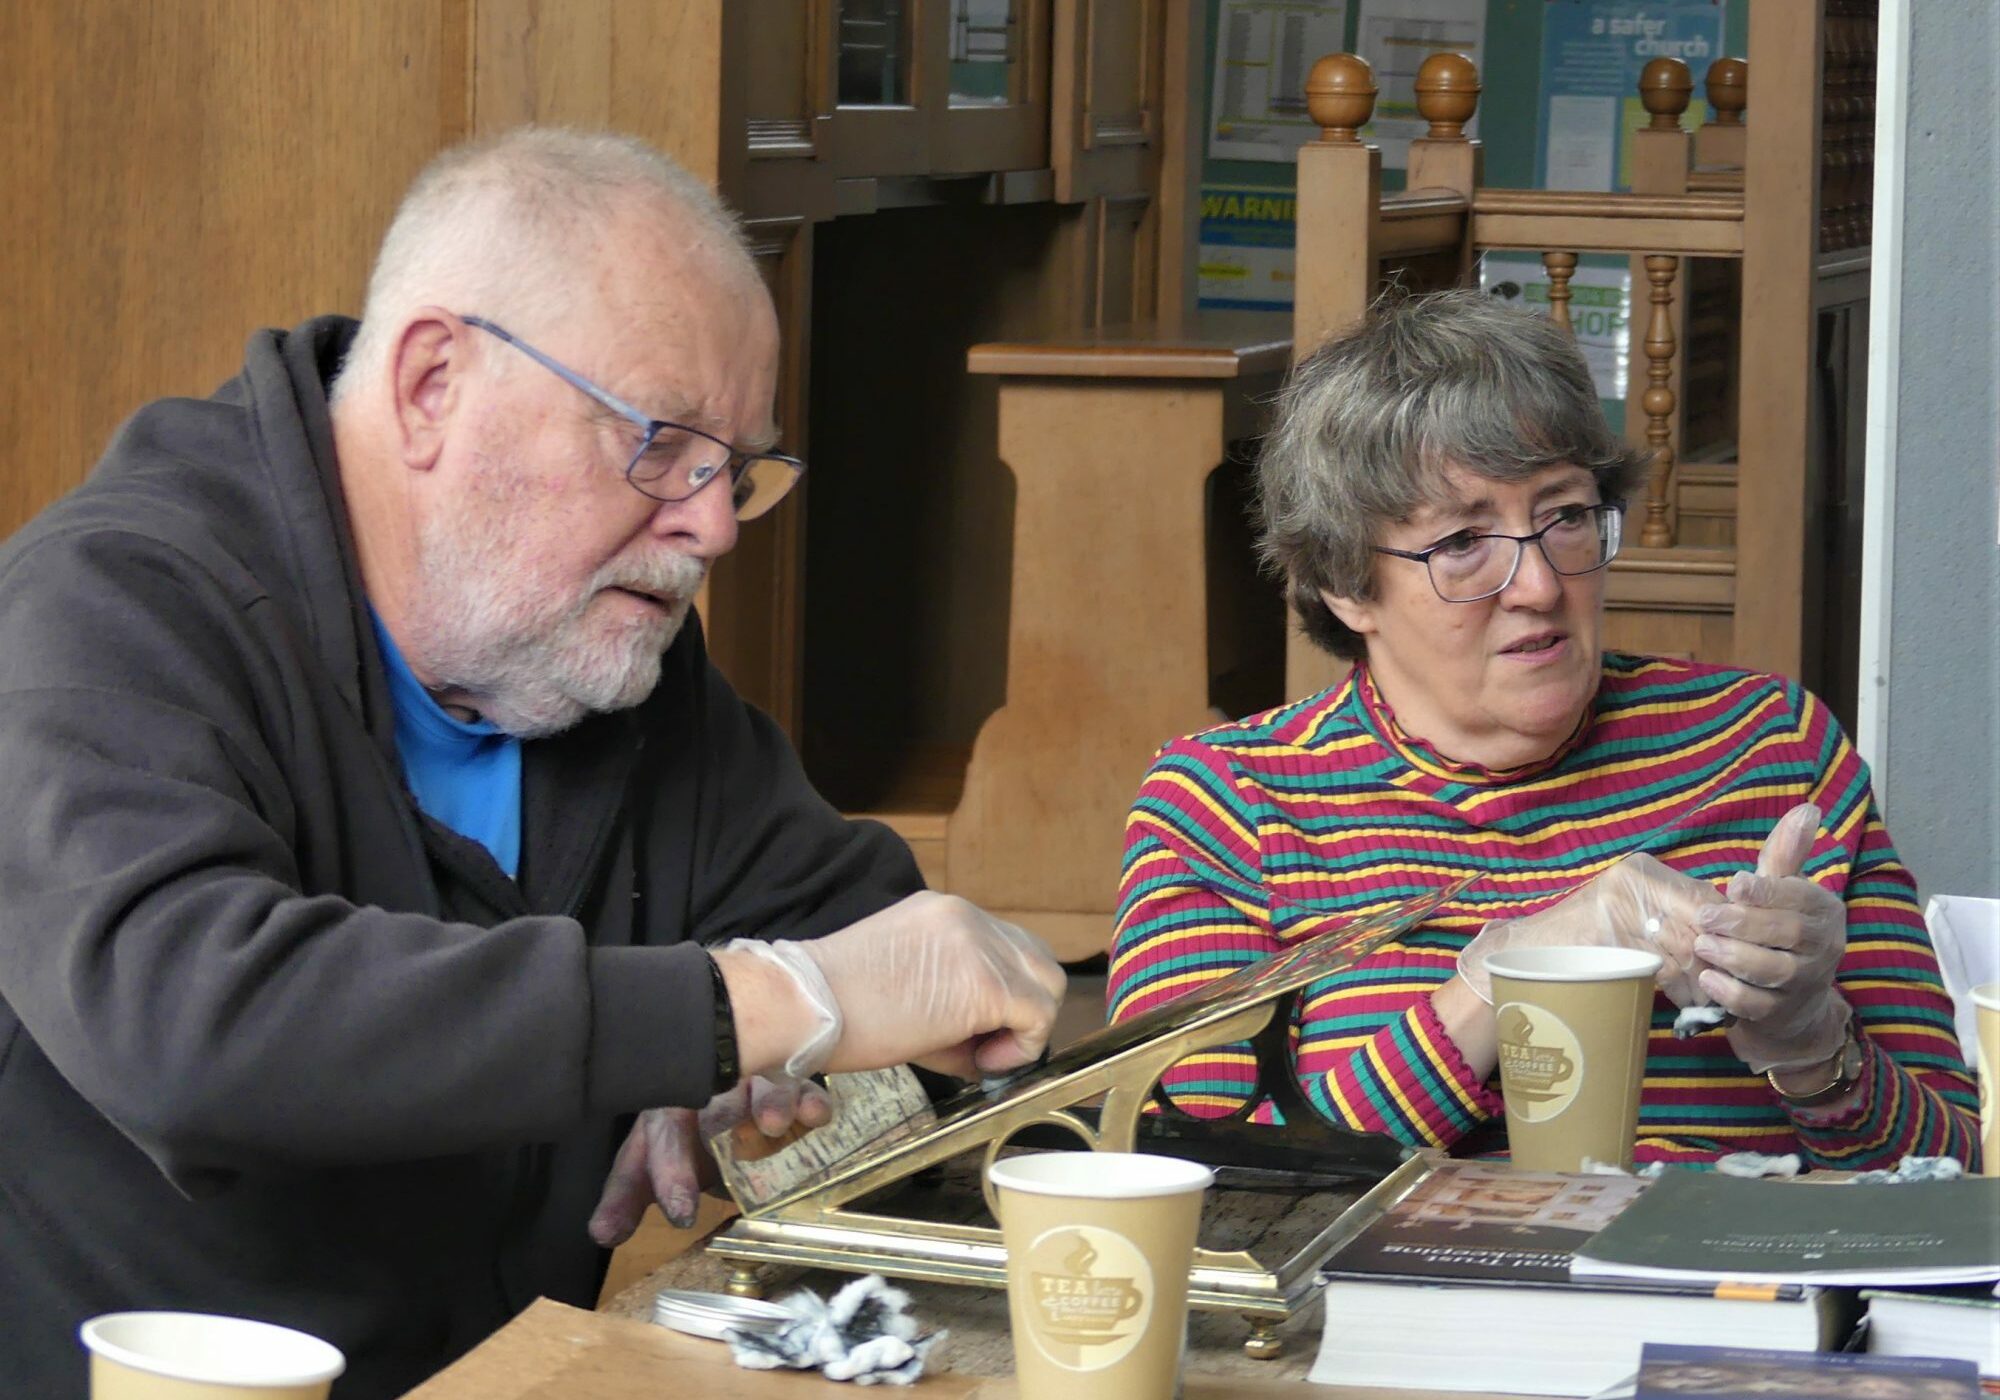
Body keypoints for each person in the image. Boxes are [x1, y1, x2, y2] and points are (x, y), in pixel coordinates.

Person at [0, 128, 1064, 1398]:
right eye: (660, 442)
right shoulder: (108, 604)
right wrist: (752, 1005)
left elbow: (888, 952)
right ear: (433, 384)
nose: (713, 523)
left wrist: (771, 1072)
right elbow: (192, 1028)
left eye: (736, 467)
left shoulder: (606, 654)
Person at [1108, 290, 1979, 1168]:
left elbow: (1952, 1177)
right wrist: (1508, 975)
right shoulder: (1231, 805)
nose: (1536, 584)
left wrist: (1813, 1045)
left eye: (1564, 516)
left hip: (1739, 1293)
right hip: (1406, 1300)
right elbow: (1206, 1189)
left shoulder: (1769, 747)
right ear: (1345, 585)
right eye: (1461, 543)